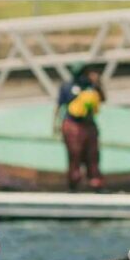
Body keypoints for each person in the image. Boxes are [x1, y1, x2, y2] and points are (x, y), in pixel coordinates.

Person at [55, 62, 105, 191]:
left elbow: (103, 98)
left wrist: (98, 84)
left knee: (93, 155)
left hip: (88, 125)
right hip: (73, 124)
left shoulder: (91, 87)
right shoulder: (67, 86)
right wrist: (56, 124)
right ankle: (74, 183)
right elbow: (59, 106)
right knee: (74, 154)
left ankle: (95, 182)